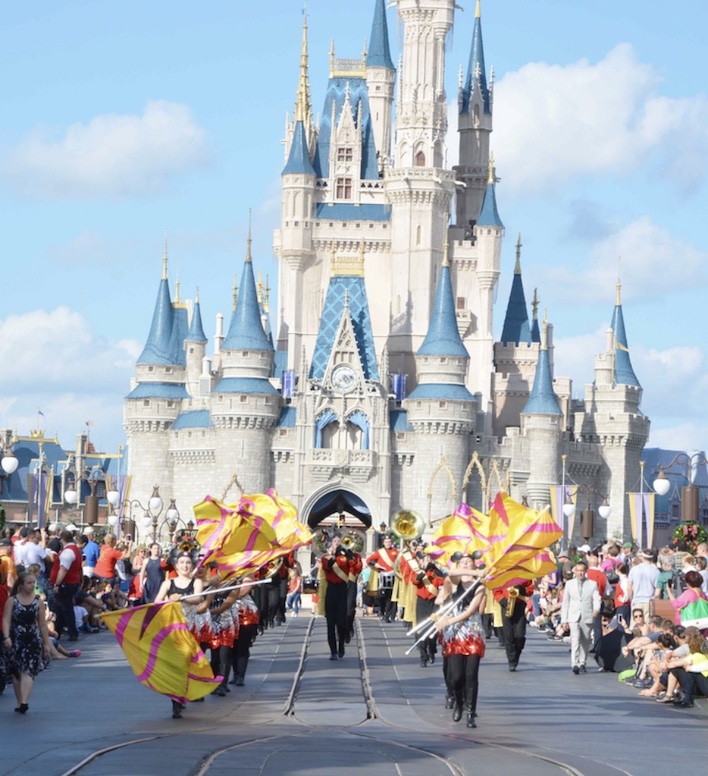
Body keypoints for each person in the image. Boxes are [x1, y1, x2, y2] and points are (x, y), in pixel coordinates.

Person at [435, 556, 486, 728]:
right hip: (455, 634)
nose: (465, 563)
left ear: (474, 563)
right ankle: (458, 701)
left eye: (469, 561)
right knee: (456, 677)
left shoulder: (480, 586)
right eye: (462, 561)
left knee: (471, 675)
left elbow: (472, 609)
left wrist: (449, 621)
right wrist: (475, 571)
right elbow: (451, 573)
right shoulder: (455, 582)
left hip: (471, 632)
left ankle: (471, 712)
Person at [154, 553, 204, 718]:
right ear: (176, 566)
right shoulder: (168, 583)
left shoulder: (196, 582)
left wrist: (183, 598)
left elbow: (198, 598)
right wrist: (169, 599)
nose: (185, 565)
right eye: (181, 563)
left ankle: (185, 695)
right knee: (177, 665)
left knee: (188, 664)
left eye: (188, 563)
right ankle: (176, 702)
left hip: (190, 628)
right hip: (173, 630)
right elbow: (157, 602)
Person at [2, 571, 52, 713]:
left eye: (33, 583)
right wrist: (6, 637)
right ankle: (20, 702)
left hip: (32, 638)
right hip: (15, 637)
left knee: (28, 670)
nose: (32, 586)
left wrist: (46, 643)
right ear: (21, 585)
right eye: (29, 583)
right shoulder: (12, 601)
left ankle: (24, 701)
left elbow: (42, 624)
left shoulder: (38, 602)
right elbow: (6, 619)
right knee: (16, 672)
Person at [560, 560, 601, 674]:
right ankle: (575, 663)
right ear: (575, 571)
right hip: (573, 616)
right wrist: (564, 620)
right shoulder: (569, 584)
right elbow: (565, 603)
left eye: (582, 571)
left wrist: (596, 609)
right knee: (575, 639)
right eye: (577, 571)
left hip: (587, 615)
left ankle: (582, 662)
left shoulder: (592, 584)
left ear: (585, 571)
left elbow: (597, 598)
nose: (580, 573)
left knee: (585, 641)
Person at [319, 535, 353, 660]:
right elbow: (327, 567)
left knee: (341, 622)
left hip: (342, 589)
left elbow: (355, 566)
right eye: (335, 541)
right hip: (331, 590)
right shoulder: (326, 558)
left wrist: (349, 555)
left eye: (339, 541)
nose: (337, 543)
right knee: (330, 623)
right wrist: (333, 556)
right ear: (331, 544)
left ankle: (341, 645)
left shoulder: (345, 558)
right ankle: (333, 651)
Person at [49, 530, 83, 642]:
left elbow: (63, 569)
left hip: (65, 584)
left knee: (66, 608)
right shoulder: (76, 550)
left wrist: (57, 584)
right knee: (62, 608)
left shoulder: (68, 552)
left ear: (62, 539)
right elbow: (79, 568)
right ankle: (58, 631)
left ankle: (72, 633)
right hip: (72, 583)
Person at [494, 579, 534, 671]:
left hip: (519, 605)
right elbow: (496, 591)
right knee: (508, 635)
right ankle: (511, 660)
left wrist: (521, 590)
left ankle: (517, 653)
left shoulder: (524, 575)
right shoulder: (502, 575)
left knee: (520, 635)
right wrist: (504, 602)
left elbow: (530, 589)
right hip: (506, 605)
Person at [230, 575, 260, 686]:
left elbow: (241, 593)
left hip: (246, 615)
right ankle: (235, 673)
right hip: (229, 616)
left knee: (242, 646)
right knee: (232, 647)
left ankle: (240, 676)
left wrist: (229, 588)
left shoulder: (247, 576)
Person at [366, 535, 399, 622]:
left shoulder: (395, 552)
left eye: (389, 542)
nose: (388, 543)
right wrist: (376, 564)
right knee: (382, 597)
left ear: (391, 543)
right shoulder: (379, 552)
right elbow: (369, 560)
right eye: (386, 542)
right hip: (383, 576)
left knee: (392, 597)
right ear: (384, 543)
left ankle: (390, 615)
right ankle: (382, 612)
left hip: (393, 576)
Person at [627, 549, 659, 619]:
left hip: (637, 601)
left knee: (635, 626)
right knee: (648, 625)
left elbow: (629, 587)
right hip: (649, 602)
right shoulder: (656, 571)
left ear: (643, 558)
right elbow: (657, 590)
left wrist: (631, 598)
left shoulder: (634, 569)